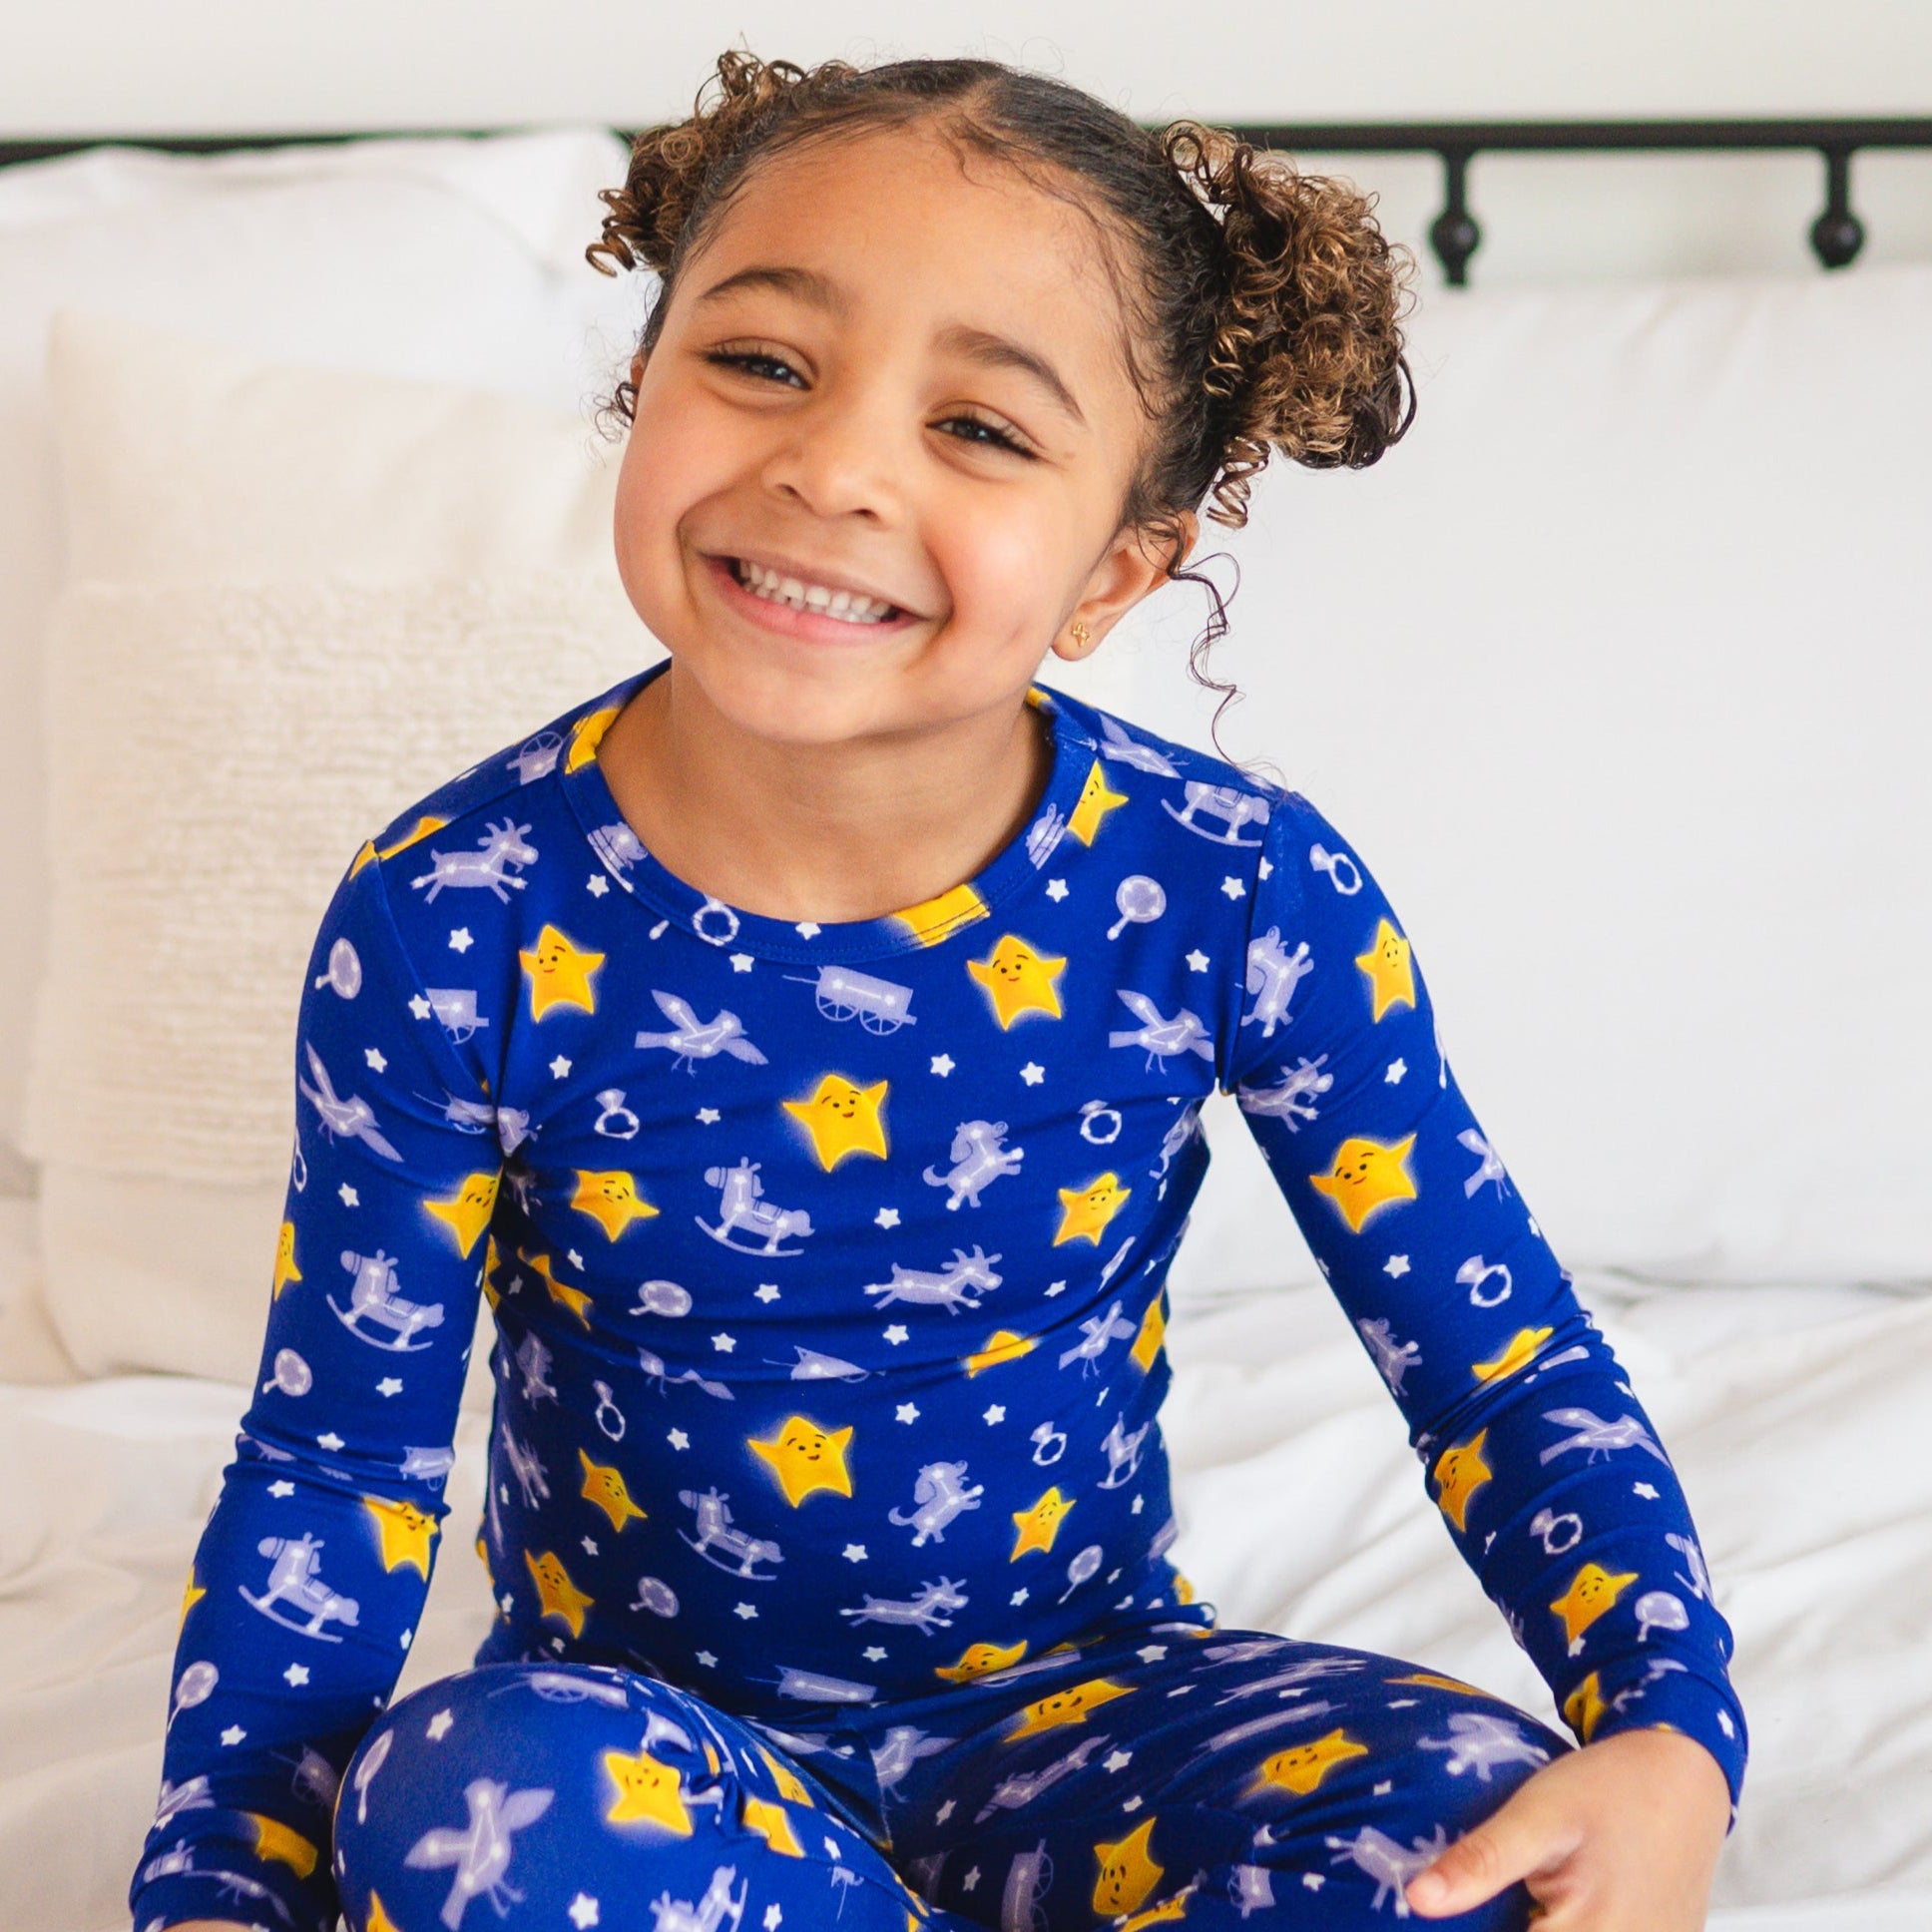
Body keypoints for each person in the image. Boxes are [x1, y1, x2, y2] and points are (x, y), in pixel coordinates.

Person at [134, 51, 1742, 1932]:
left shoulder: (1232, 889)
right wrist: (217, 1894)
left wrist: (1668, 1728)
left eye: (981, 428)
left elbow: (1501, 1361)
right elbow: (337, 1464)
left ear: (1116, 573)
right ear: (637, 381)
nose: (833, 464)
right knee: (461, 1797)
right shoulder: (452, 911)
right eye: (760, 362)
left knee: (1485, 1822)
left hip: (1094, 1716)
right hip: (648, 1753)